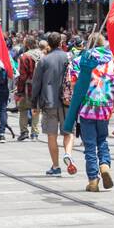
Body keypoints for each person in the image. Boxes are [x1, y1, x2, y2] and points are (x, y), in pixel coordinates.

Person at [62, 33, 114, 192]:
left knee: (89, 145)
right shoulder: (112, 62)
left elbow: (75, 85)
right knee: (102, 139)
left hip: (86, 108)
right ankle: (104, 165)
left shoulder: (79, 61)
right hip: (105, 108)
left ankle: (93, 180)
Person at [30, 32, 76, 175]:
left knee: (51, 135)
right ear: (62, 43)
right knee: (68, 132)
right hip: (67, 101)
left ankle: (56, 166)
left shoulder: (44, 60)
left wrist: (34, 104)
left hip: (49, 101)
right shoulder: (69, 57)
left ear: (48, 44)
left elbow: (36, 83)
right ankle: (68, 153)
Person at [15, 36, 42, 141]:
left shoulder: (24, 57)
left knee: (23, 109)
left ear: (27, 44)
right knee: (36, 109)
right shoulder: (42, 55)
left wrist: (19, 90)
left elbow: (22, 76)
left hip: (27, 87)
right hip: (39, 87)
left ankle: (24, 131)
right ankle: (35, 133)